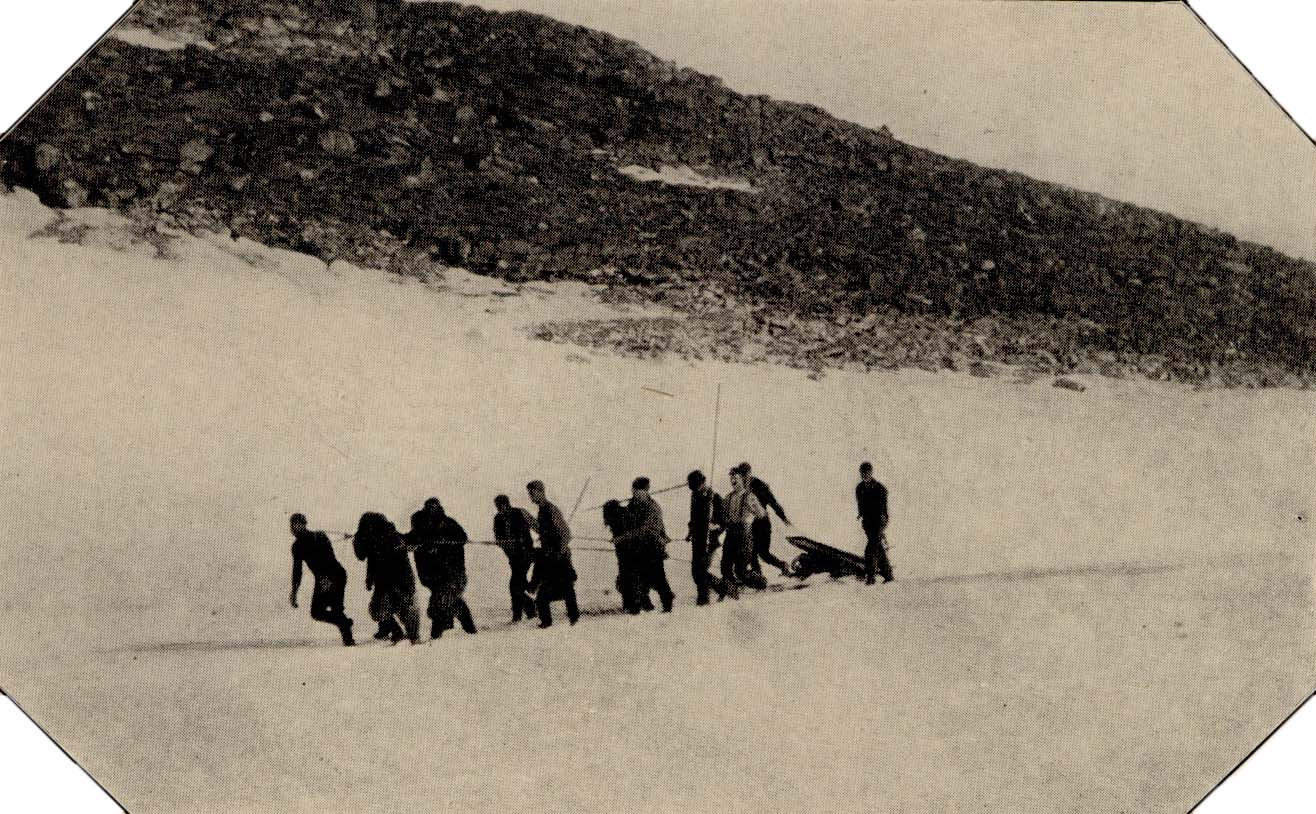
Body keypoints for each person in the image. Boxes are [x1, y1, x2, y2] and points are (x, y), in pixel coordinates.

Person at [408, 498, 477, 639]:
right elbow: (409, 540)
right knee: (450, 602)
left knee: (438, 605)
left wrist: (442, 544)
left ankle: (436, 638)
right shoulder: (419, 531)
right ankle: (469, 628)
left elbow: (462, 538)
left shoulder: (448, 524)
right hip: (432, 577)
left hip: (451, 574)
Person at [352, 511, 421, 643]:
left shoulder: (391, 536)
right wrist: (359, 539)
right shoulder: (369, 538)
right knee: (378, 609)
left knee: (404, 608)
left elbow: (408, 543)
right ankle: (398, 632)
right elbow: (363, 556)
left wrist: (361, 539)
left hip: (401, 578)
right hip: (384, 580)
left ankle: (412, 637)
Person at [288, 513, 355, 646]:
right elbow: (297, 571)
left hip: (335, 575)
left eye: (298, 524)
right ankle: (345, 623)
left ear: (304, 524)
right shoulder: (297, 546)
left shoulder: (319, 536)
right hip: (324, 578)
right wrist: (294, 592)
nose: (295, 528)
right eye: (293, 525)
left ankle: (348, 640)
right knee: (317, 612)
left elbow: (329, 559)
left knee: (336, 609)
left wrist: (327, 579)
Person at [615, 477, 675, 613]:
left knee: (658, 578)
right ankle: (642, 605)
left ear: (646, 491)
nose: (635, 493)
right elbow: (627, 522)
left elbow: (645, 529)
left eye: (638, 491)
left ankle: (667, 602)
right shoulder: (632, 505)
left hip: (653, 547)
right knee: (638, 577)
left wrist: (622, 538)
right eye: (634, 490)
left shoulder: (652, 507)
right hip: (638, 548)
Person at [526, 480, 579, 627]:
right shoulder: (543, 510)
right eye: (529, 493)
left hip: (559, 559)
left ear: (540, 491)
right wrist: (529, 520)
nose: (530, 496)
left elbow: (567, 534)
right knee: (553, 594)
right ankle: (552, 622)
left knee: (565, 590)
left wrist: (559, 553)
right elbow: (543, 530)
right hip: (551, 557)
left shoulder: (550, 510)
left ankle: (573, 620)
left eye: (532, 493)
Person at [736, 462, 792, 577]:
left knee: (763, 553)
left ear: (749, 473)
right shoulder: (741, 487)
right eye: (741, 474)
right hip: (750, 525)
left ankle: (783, 566)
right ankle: (758, 576)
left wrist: (783, 518)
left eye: (744, 474)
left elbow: (773, 503)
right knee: (751, 553)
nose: (743, 476)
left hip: (762, 524)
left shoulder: (760, 486)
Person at [685, 470, 731, 605]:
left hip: (710, 540)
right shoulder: (695, 495)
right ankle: (722, 587)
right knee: (695, 572)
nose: (696, 489)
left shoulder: (714, 498)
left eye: (698, 486)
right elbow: (693, 519)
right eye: (693, 487)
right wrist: (690, 532)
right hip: (697, 540)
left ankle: (703, 600)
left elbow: (725, 521)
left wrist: (715, 526)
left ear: (703, 482)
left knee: (701, 570)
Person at [493, 495, 538, 623]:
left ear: (507, 504)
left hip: (526, 554)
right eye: (497, 506)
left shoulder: (520, 513)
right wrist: (504, 543)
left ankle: (518, 615)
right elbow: (498, 537)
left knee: (514, 585)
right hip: (513, 557)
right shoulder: (498, 519)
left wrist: (547, 534)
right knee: (519, 584)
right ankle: (531, 610)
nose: (499, 508)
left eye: (501, 505)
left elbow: (536, 525)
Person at [723, 468, 768, 591]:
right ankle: (732, 588)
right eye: (731, 478)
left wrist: (752, 512)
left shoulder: (749, 496)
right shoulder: (728, 498)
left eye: (735, 478)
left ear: (742, 480)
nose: (733, 481)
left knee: (740, 570)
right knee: (725, 566)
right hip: (730, 534)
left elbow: (761, 514)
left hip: (744, 534)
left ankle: (761, 582)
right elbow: (722, 515)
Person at [604, 499, 651, 614]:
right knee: (631, 578)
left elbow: (630, 534)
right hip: (630, 552)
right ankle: (640, 603)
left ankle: (634, 605)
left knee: (630, 578)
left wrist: (619, 539)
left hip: (631, 553)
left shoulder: (620, 518)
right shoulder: (625, 514)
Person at [856, 462, 894, 584]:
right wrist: (861, 515)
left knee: (870, 548)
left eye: (867, 473)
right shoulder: (859, 488)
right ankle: (888, 575)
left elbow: (883, 509)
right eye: (862, 473)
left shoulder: (880, 488)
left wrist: (882, 525)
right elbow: (860, 505)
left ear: (871, 473)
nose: (864, 475)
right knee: (877, 547)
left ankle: (870, 577)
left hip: (879, 521)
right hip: (867, 522)